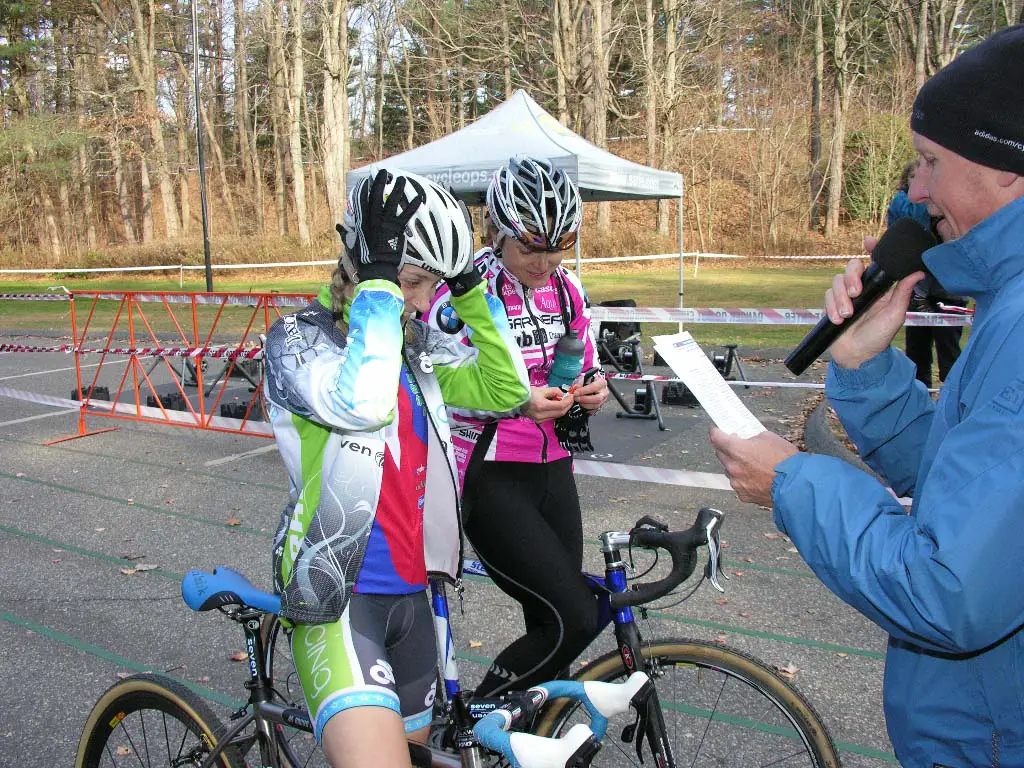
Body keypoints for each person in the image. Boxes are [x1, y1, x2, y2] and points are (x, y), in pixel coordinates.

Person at [710, 24, 1024, 768]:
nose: (913, 190)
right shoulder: (1006, 306)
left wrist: (791, 480)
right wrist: (864, 366)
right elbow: (970, 490)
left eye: (929, 161)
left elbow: (950, 592)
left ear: (1007, 166)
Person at [263, 169, 529, 768]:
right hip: (339, 596)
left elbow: (506, 385)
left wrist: (466, 290)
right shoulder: (296, 343)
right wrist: (380, 288)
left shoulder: (411, 349)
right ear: (362, 267)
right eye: (409, 281)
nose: (416, 300)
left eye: (427, 284)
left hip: (415, 595)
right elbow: (365, 405)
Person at [424, 156, 610, 697]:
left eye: (558, 246)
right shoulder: (465, 291)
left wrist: (591, 390)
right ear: (498, 230)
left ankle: (532, 738)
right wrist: (514, 403)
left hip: (555, 470)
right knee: (575, 616)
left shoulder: (569, 290)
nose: (544, 261)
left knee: (550, 625)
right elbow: (436, 378)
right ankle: (477, 727)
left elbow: (583, 359)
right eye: (530, 246)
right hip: (491, 473)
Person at [887, 161, 968, 388]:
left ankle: (953, 398)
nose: (919, 182)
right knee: (917, 352)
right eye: (913, 176)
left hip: (949, 291)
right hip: (918, 288)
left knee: (949, 351)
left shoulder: (951, 205)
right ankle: (921, 397)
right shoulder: (904, 205)